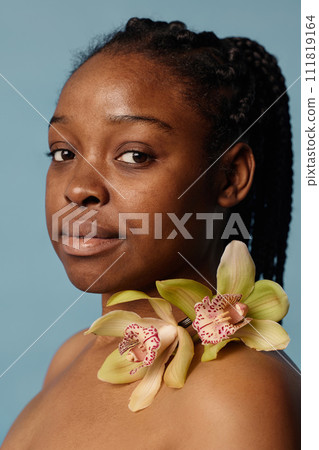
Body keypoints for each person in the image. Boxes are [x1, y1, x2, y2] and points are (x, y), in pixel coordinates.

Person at [2, 18, 300, 449]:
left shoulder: (237, 395)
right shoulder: (74, 356)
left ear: (230, 177)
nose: (78, 188)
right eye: (63, 152)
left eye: (135, 155)